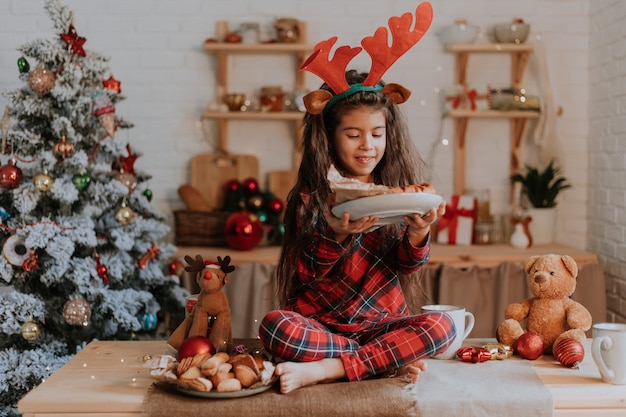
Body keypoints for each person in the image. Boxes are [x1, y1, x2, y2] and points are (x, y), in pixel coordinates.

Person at [258, 69, 456, 394]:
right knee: (277, 328)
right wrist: (334, 235)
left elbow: (408, 265)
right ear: (329, 135)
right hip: (323, 327)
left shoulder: (399, 191)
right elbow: (305, 274)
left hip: (381, 325)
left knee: (443, 326)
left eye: (377, 134)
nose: (367, 146)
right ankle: (383, 362)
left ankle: (331, 369)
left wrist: (419, 232)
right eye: (353, 135)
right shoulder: (311, 197)